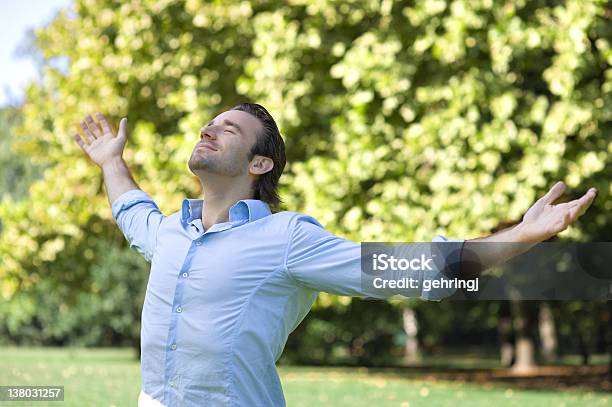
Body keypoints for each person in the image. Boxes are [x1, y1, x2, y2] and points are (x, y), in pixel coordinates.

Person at [73, 103, 597, 406]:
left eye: (228, 128)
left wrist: (522, 236)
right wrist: (110, 162)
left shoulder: (287, 238)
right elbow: (131, 210)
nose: (208, 129)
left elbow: (407, 271)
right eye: (210, 123)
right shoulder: (170, 232)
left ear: (259, 164)